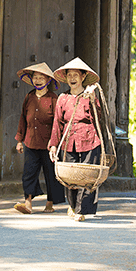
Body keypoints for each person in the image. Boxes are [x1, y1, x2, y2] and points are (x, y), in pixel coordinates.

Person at [49, 57, 108, 222]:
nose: (72, 78)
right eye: (69, 75)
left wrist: (91, 98)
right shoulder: (62, 98)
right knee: (70, 177)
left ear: (83, 77)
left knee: (87, 176)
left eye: (76, 75)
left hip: (89, 140)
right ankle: (73, 206)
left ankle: (82, 210)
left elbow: (98, 117)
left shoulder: (90, 96)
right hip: (69, 141)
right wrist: (53, 146)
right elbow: (57, 123)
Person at [13, 62, 66, 214]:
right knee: (28, 173)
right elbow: (23, 119)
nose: (38, 80)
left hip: (49, 144)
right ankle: (28, 203)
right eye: (35, 77)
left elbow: (58, 121)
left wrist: (55, 142)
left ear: (48, 80)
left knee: (51, 174)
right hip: (30, 141)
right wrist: (19, 141)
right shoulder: (29, 97)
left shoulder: (53, 99)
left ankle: (50, 203)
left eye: (41, 77)